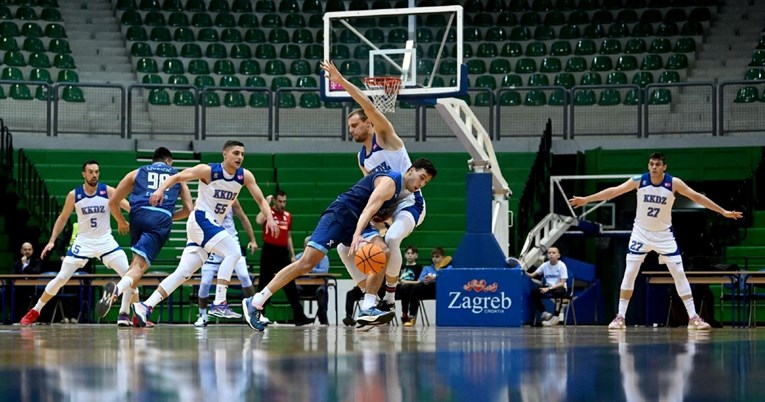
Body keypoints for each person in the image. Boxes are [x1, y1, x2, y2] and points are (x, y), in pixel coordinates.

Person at [243, 158, 438, 331]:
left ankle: (368, 306)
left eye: (426, 182)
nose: (421, 184)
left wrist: (377, 228)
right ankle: (256, 300)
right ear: (411, 170)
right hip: (340, 214)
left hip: (358, 223)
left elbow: (374, 217)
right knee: (306, 263)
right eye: (421, 177)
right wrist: (356, 236)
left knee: (383, 250)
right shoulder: (391, 180)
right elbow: (368, 208)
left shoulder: (399, 195)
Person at [568, 152, 743, 331]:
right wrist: (586, 200)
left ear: (664, 167)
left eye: (657, 164)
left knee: (679, 274)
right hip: (640, 234)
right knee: (630, 273)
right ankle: (620, 317)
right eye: (651, 164)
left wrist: (723, 211)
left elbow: (697, 197)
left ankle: (693, 318)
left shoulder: (673, 183)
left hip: (664, 235)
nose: (653, 167)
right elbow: (614, 191)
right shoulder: (639, 181)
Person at [131, 141, 278, 327]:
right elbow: (179, 176)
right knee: (233, 251)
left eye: (242, 153)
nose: (239, 157)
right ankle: (219, 301)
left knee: (183, 273)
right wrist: (160, 189)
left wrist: (270, 218)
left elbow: (260, 200)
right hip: (201, 219)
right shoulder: (208, 171)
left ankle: (145, 306)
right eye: (235, 153)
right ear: (225, 154)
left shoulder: (244, 176)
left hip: (206, 227)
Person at [321, 60, 427, 318]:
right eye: (348, 128)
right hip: (386, 208)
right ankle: (369, 293)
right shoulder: (362, 159)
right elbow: (373, 195)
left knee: (391, 240)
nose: (351, 130)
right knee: (344, 249)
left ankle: (390, 296)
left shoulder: (386, 136)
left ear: (368, 123)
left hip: (410, 203)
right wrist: (375, 224)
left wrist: (341, 81)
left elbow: (367, 104)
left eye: (354, 125)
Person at [20, 160, 132, 326]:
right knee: (61, 278)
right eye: (91, 172)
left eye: (97, 172)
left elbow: (129, 207)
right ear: (84, 174)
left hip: (105, 241)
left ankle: (125, 314)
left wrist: (137, 219)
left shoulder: (108, 190)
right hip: (83, 242)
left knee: (130, 276)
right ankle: (35, 310)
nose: (94, 175)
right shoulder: (74, 195)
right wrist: (51, 241)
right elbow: (63, 218)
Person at [96, 147, 193, 327]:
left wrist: (121, 221)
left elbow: (113, 202)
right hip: (160, 218)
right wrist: (168, 215)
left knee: (135, 266)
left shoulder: (137, 172)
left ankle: (124, 314)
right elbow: (189, 209)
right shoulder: (176, 175)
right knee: (139, 268)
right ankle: (116, 290)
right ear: (168, 161)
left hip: (137, 215)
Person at [194, 199, 258, 327]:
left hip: (231, 243)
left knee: (245, 276)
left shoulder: (232, 198)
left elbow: (243, 218)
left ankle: (255, 313)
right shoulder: (204, 199)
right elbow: (194, 222)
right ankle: (202, 315)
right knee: (205, 282)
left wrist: (253, 240)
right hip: (212, 244)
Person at [255, 191, 313, 326]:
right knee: (264, 283)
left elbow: (288, 236)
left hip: (282, 253)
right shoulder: (268, 213)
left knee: (290, 284)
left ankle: (299, 317)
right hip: (269, 251)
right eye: (280, 201)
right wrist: (266, 204)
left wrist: (292, 254)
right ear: (275, 200)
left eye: (284, 201)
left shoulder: (288, 216)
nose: (282, 204)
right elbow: (258, 220)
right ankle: (258, 315)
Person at [403, 246, 452, 327]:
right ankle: (412, 316)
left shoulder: (449, 268)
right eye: (433, 257)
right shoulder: (427, 268)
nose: (434, 258)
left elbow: (448, 278)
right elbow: (421, 279)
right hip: (429, 290)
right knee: (417, 287)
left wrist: (435, 277)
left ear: (443, 257)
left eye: (437, 256)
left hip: (443, 291)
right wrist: (426, 281)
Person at [525, 246, 568, 327]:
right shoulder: (544, 265)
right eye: (549, 253)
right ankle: (544, 313)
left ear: (558, 255)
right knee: (534, 292)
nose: (551, 254)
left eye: (553, 253)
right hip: (548, 287)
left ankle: (556, 316)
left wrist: (548, 289)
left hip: (559, 287)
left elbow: (562, 283)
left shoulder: (562, 265)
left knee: (558, 292)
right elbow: (532, 275)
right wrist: (522, 271)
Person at [295, 236, 330, 325]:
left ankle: (323, 319)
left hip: (317, 286)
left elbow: (324, 271)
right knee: (294, 290)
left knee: (321, 292)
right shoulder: (298, 257)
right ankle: (298, 318)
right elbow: (293, 270)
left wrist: (311, 270)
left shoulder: (323, 257)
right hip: (302, 286)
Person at [12, 242, 42, 321]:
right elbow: (13, 276)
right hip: (19, 289)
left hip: (33, 288)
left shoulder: (37, 261)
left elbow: (37, 273)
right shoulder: (17, 263)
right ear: (21, 251)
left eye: (29, 249)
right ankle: (16, 319)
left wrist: (25, 265)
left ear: (32, 250)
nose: (27, 251)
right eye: (25, 250)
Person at [396, 245, 423, 324]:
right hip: (399, 287)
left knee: (407, 288)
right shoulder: (401, 266)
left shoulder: (418, 267)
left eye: (412, 253)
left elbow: (419, 282)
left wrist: (405, 282)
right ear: (405, 255)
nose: (410, 255)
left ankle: (407, 314)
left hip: (411, 288)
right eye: (408, 253)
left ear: (416, 255)